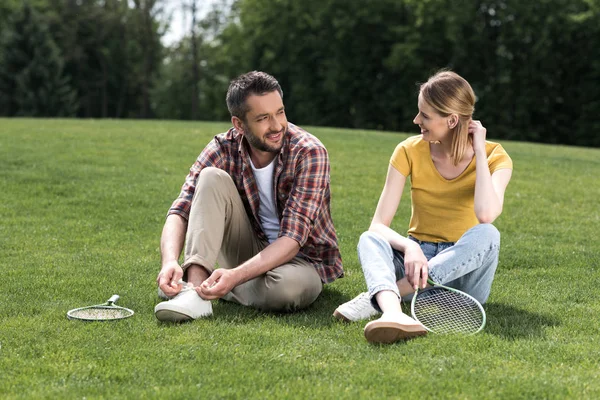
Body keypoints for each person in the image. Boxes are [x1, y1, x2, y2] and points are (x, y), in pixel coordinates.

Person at [333, 70, 513, 343]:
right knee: (370, 239)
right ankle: (393, 312)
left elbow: (486, 214)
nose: (416, 120)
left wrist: (478, 151)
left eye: (425, 116)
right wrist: (410, 247)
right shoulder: (408, 150)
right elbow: (378, 224)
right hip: (415, 259)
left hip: (462, 275)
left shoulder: (494, 156)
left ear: (452, 120)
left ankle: (386, 295)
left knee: (488, 233)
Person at [154, 71, 343, 322]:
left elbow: (292, 239)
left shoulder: (309, 152)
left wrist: (235, 276)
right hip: (247, 247)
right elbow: (181, 209)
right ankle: (194, 292)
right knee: (210, 177)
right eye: (263, 118)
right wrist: (169, 262)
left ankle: (204, 285)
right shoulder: (223, 147)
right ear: (239, 124)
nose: (276, 126)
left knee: (286, 290)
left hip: (299, 261)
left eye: (280, 112)